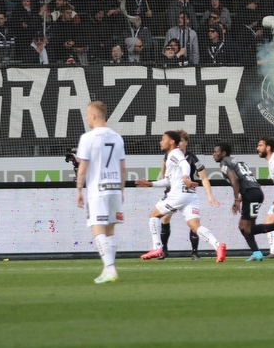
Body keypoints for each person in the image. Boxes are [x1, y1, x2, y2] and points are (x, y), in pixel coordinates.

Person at [137, 131, 226, 262]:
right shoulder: (171, 157)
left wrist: (185, 177)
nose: (160, 142)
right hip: (190, 196)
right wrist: (150, 184)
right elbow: (168, 181)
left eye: (163, 139)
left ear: (172, 142)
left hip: (178, 194)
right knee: (195, 226)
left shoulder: (174, 153)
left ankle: (157, 247)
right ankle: (218, 245)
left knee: (154, 216)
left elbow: (185, 165)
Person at [75, 101, 127, 283]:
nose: (87, 118)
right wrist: (121, 190)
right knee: (110, 229)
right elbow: (123, 168)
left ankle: (111, 269)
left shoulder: (88, 138)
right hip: (114, 188)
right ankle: (107, 269)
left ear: (94, 116)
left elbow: (82, 168)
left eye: (87, 115)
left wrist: (79, 189)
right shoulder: (117, 137)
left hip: (97, 189)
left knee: (97, 229)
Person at [214, 142, 274, 262]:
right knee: (243, 226)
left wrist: (236, 199)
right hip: (254, 192)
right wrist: (240, 199)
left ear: (223, 153)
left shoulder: (224, 163)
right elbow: (244, 179)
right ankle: (256, 252)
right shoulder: (238, 161)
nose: (214, 154)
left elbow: (234, 179)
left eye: (216, 152)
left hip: (250, 194)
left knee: (248, 228)